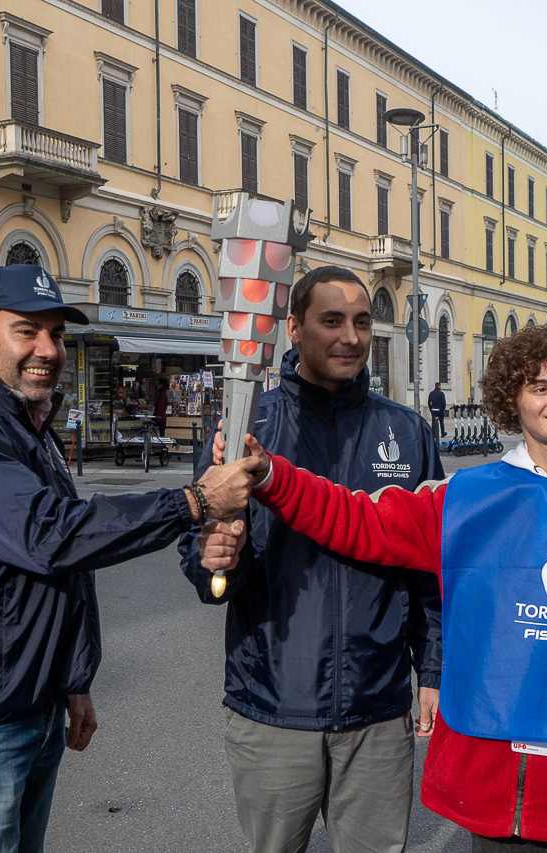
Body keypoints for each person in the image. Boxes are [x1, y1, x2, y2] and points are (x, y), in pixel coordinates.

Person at [206, 324, 547, 851]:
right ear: (510, 402)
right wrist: (270, 474)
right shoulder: (467, 499)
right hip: (494, 807)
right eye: (539, 387)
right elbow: (356, 519)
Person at [0, 264, 258, 853]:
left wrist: (72, 682)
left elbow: (60, 570)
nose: (47, 349)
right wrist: (191, 501)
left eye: (55, 334)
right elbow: (50, 535)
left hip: (30, 703)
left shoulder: (22, 425)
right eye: (26, 331)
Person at [181, 266, 444, 853]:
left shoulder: (405, 432)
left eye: (361, 322)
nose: (350, 336)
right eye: (332, 321)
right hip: (271, 705)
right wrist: (215, 563)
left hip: (376, 707)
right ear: (294, 330)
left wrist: (433, 669)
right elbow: (201, 558)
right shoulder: (248, 425)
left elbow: (432, 567)